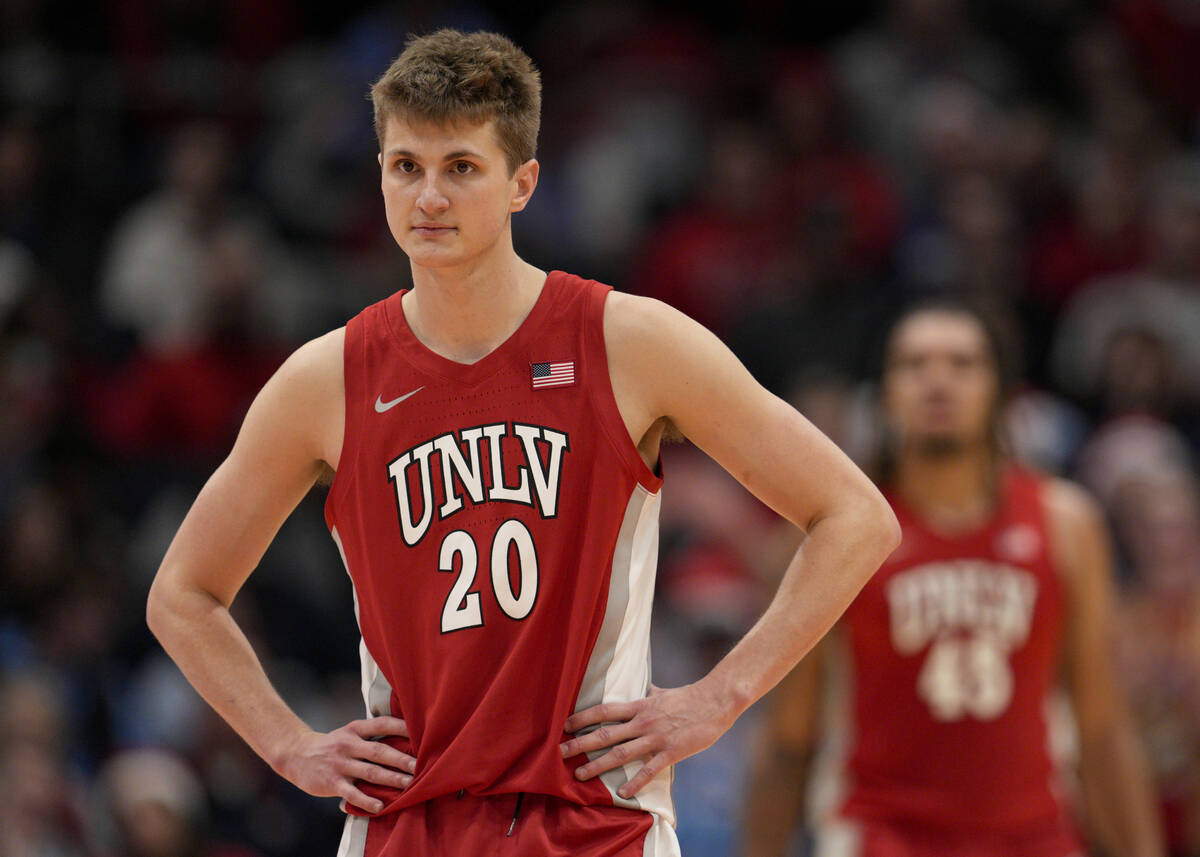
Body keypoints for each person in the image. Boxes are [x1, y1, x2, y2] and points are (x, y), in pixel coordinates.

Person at [145, 29, 900, 857]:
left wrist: (718, 698)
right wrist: (290, 746)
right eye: (407, 166)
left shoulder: (628, 341)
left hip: (596, 820)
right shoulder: (325, 379)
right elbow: (183, 592)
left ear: (522, 183)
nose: (429, 195)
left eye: (461, 167)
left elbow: (855, 515)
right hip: (408, 822)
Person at [742, 299, 1164, 857]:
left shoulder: (1067, 524)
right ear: (885, 392)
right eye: (914, 365)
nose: (938, 382)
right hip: (883, 835)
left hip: (1034, 834)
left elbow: (1102, 725)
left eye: (962, 364)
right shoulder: (835, 532)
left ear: (1001, 391)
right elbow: (789, 739)